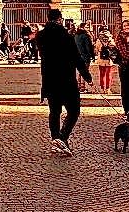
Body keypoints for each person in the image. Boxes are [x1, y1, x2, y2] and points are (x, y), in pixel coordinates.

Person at [37, 9, 92, 155]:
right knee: (74, 111)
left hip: (49, 79)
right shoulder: (66, 36)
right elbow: (76, 57)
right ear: (60, 19)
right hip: (66, 79)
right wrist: (87, 76)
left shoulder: (41, 36)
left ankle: (56, 139)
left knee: (54, 112)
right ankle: (62, 137)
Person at [74, 22, 95, 93]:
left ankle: (78, 86)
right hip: (85, 57)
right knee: (84, 71)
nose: (88, 29)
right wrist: (92, 56)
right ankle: (82, 87)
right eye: (87, 27)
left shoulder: (76, 35)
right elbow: (88, 47)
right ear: (83, 28)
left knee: (79, 72)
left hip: (77, 57)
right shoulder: (85, 36)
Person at [95, 26, 115, 94]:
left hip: (101, 58)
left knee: (102, 74)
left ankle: (102, 88)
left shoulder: (99, 39)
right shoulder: (110, 38)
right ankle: (108, 89)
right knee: (108, 74)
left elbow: (96, 49)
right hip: (108, 59)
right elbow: (113, 47)